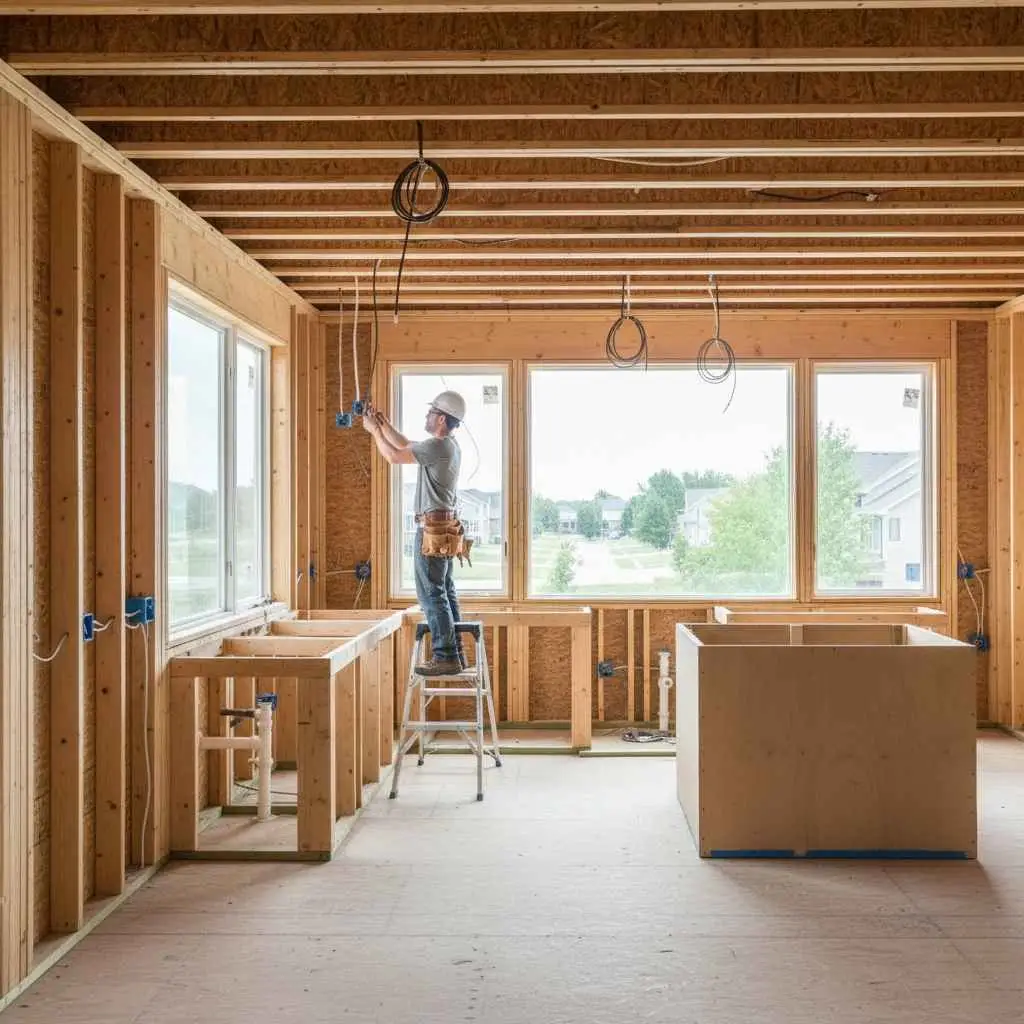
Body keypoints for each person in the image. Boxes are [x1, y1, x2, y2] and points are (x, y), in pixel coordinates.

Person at [363, 390, 467, 676]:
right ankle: (455, 650)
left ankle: (445, 655)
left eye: (431, 412)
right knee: (444, 590)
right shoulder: (447, 445)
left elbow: (395, 456)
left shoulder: (439, 446)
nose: (427, 416)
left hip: (432, 529)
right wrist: (382, 424)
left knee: (431, 593)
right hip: (443, 528)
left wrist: (373, 432)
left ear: (442, 419)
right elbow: (406, 443)